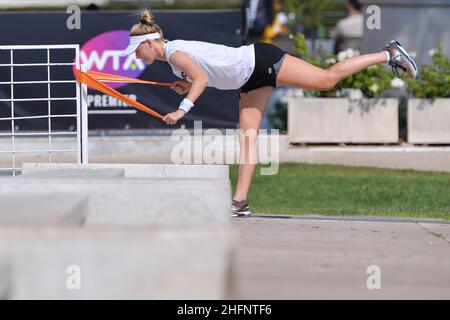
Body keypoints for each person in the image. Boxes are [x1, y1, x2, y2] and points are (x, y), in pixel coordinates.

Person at [121, 10, 418, 217]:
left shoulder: (174, 52)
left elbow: (201, 79)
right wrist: (186, 85)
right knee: (247, 139)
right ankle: (240, 202)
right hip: (249, 79)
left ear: (148, 43)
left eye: (136, 52)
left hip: (261, 61)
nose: (137, 58)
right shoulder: (174, 60)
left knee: (326, 80)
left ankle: (388, 54)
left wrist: (181, 109)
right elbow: (204, 75)